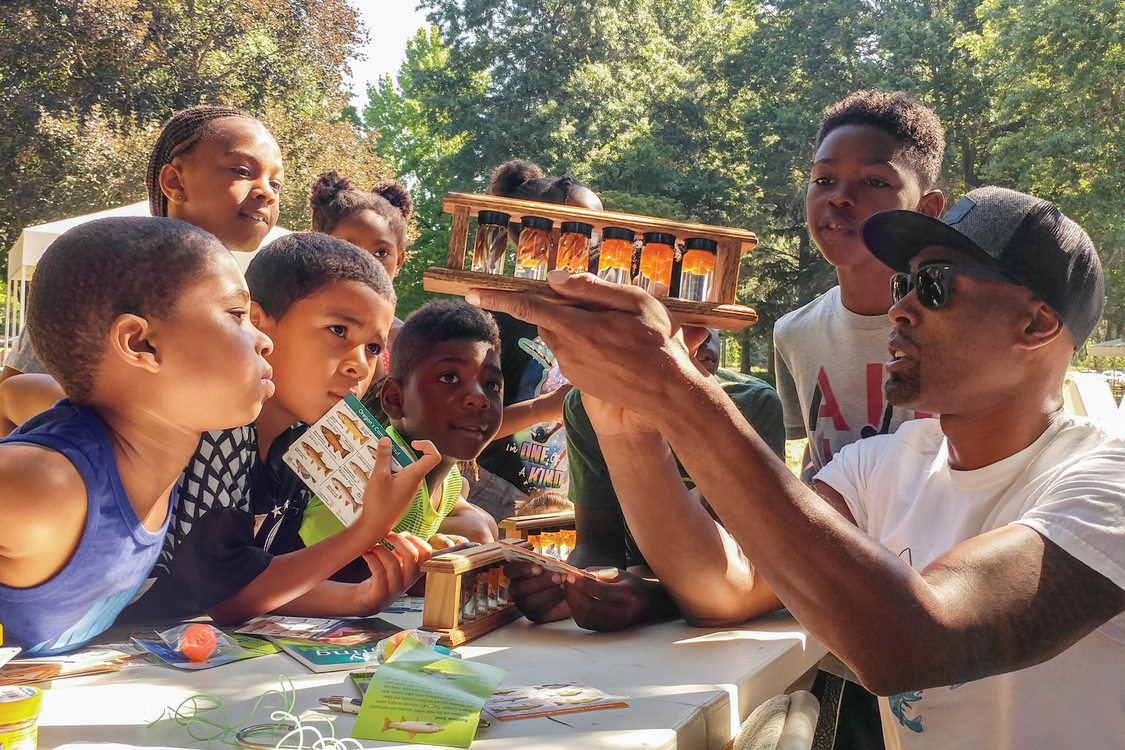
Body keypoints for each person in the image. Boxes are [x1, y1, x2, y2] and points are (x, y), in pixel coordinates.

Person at [469, 185, 1125, 748]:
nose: (898, 307)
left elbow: (920, 640)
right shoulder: (876, 466)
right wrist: (630, 428)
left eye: (934, 286)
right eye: (903, 283)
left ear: (1037, 324)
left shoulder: (1107, 477)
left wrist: (681, 395)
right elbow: (725, 588)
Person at [123, 233, 440, 624]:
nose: (359, 366)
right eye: (339, 330)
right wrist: (367, 528)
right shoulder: (218, 426)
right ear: (258, 324)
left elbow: (264, 578)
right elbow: (227, 594)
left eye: (373, 348)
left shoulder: (303, 440)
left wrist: (360, 598)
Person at [0, 216, 274, 655]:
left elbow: (13, 393)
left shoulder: (131, 435)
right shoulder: (47, 489)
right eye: (237, 314)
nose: (264, 341)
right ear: (141, 344)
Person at [0, 104, 285, 422]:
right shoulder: (107, 271)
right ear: (175, 183)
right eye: (243, 171)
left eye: (276, 184)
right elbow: (11, 391)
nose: (266, 193)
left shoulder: (253, 296)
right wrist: (134, 426)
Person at [507, 329, 785, 631]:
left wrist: (652, 600)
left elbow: (742, 566)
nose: (704, 338)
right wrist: (568, 583)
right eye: (683, 323)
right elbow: (599, 542)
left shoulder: (753, 406)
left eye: (712, 325)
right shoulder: (588, 406)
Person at [775, 90, 945, 481]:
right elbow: (815, 456)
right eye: (823, 179)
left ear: (927, 210)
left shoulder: (966, 329)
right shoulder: (793, 333)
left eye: (873, 181)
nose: (840, 197)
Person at [295, 298, 502, 561]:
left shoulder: (448, 483)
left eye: (492, 385)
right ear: (395, 399)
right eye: (449, 377)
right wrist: (430, 568)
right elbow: (318, 567)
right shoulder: (376, 469)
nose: (479, 398)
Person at [470, 159, 604, 518]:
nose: (594, 244)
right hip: (496, 495)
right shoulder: (492, 315)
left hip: (570, 500)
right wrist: (544, 408)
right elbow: (460, 425)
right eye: (580, 232)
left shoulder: (602, 319)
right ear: (533, 238)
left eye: (599, 231)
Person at [310, 171, 414, 375]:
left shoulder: (408, 343)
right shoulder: (298, 318)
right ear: (319, 247)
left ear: (399, 261)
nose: (367, 262)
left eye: (381, 253)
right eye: (348, 249)